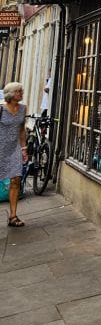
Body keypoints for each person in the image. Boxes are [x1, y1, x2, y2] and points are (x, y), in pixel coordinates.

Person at [0, 82, 28, 228]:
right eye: (19, 92)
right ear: (11, 94)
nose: (21, 94)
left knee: (16, 179)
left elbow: (22, 129)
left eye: (21, 91)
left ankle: (13, 216)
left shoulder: (23, 109)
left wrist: (24, 148)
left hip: (14, 149)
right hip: (0, 148)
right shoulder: (1, 109)